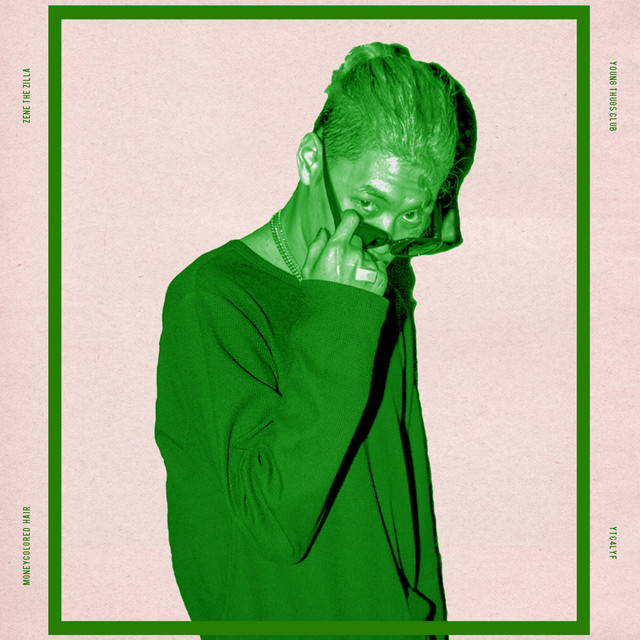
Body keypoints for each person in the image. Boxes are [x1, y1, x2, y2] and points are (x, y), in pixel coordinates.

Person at [154, 42, 476, 640]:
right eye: (368, 202)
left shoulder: (379, 284)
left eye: (411, 214)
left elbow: (399, 490)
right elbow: (274, 521)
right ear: (310, 160)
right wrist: (336, 311)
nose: (384, 235)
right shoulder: (213, 298)